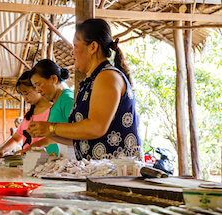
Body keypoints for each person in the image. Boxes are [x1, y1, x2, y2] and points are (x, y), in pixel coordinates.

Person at [28, 19, 142, 161]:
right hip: (101, 172)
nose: (72, 52)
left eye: (75, 45)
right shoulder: (90, 82)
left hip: (118, 172)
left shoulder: (107, 76)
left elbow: (96, 128)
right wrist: (48, 131)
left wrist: (52, 127)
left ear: (93, 47)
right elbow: (80, 138)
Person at [0, 71, 52, 160]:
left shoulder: (52, 111)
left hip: (46, 163)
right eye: (22, 94)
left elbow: (54, 140)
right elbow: (16, 139)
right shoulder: (29, 115)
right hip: (28, 162)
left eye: (26, 93)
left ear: (38, 88)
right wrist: (2, 150)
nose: (25, 98)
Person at [25, 59, 74, 156]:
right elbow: (56, 137)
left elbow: (79, 136)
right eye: (35, 87)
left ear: (53, 79)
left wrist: (49, 129)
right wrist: (33, 146)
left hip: (70, 162)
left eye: (39, 84)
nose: (38, 90)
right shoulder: (56, 102)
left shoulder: (68, 100)